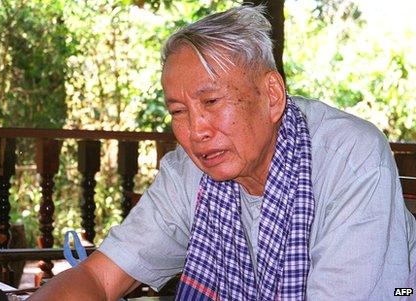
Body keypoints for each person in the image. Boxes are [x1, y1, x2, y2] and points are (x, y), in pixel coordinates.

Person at [29, 4, 416, 300]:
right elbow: (99, 276)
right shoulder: (189, 172)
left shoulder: (350, 156)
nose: (195, 131)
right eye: (178, 112)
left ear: (272, 95)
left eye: (211, 102)